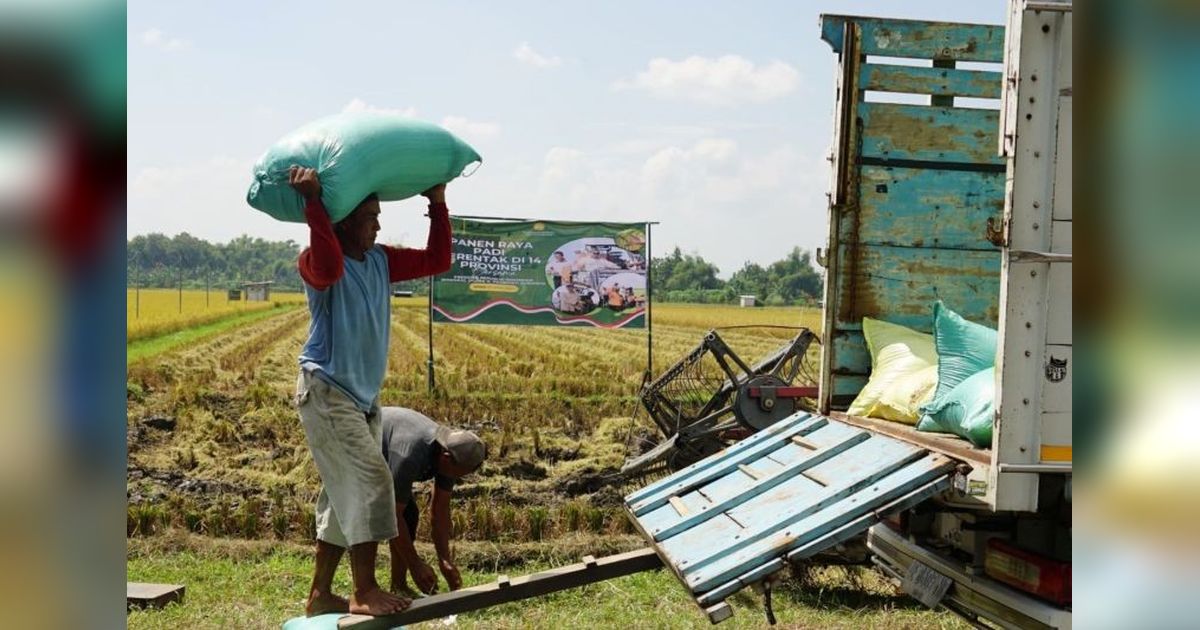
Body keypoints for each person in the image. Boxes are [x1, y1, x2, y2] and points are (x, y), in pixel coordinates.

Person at [290, 166, 452, 617]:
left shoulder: (379, 259)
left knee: (340, 495)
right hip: (327, 391)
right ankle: (364, 589)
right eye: (369, 217)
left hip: (362, 398)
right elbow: (326, 265)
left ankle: (320, 595)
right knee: (371, 480)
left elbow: (437, 261)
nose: (378, 225)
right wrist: (314, 205)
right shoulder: (316, 260)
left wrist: (437, 203)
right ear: (342, 222)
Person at [380, 408, 486, 596]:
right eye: (461, 473)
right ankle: (365, 590)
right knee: (374, 518)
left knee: (408, 514)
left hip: (390, 447)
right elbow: (391, 516)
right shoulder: (409, 456)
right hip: (359, 446)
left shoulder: (450, 454)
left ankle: (398, 586)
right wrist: (416, 565)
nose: (459, 478)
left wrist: (444, 559)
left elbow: (440, 509)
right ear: (446, 459)